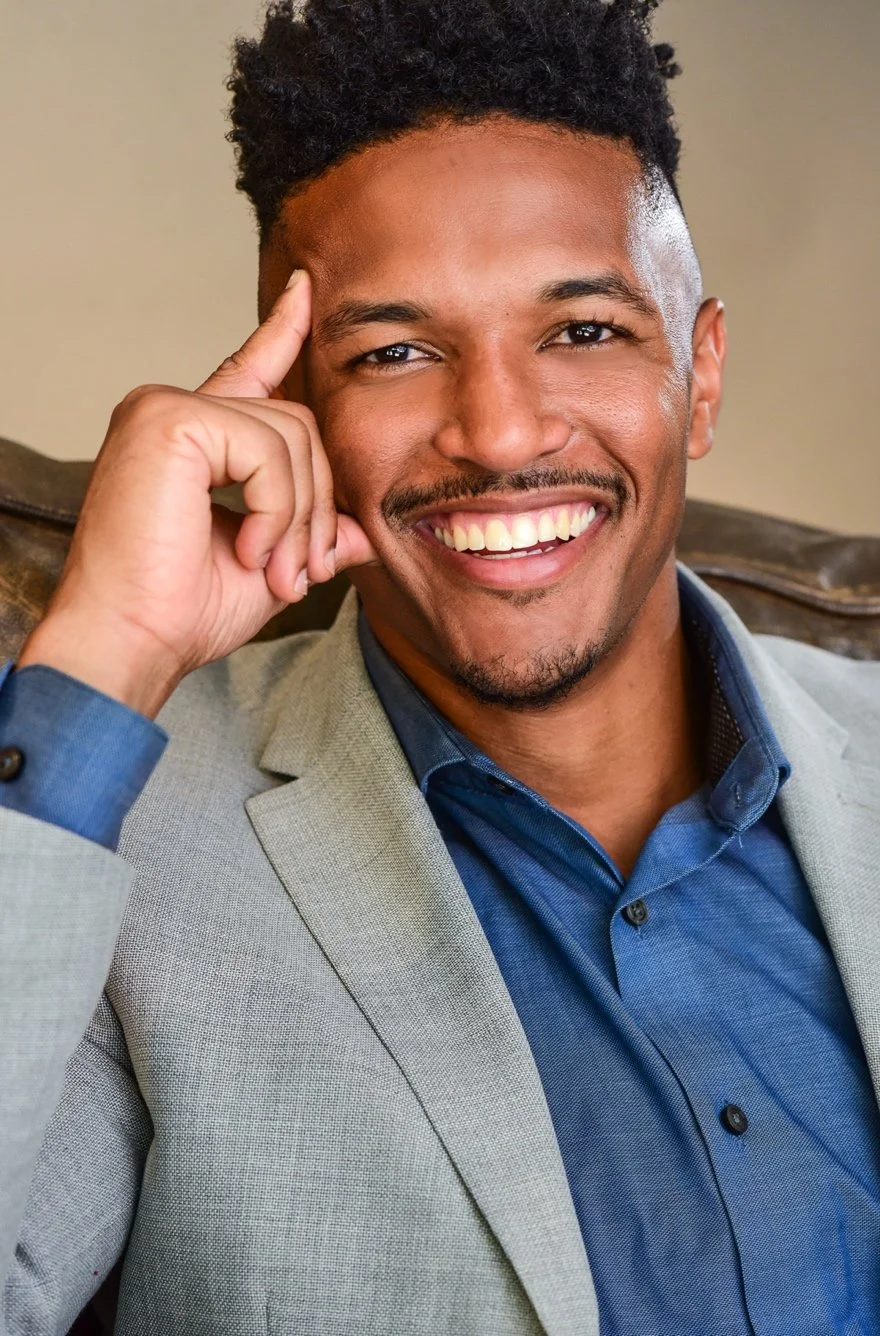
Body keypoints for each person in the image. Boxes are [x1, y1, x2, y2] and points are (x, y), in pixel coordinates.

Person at [1, 0, 879, 1330]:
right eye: (396, 353)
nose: (498, 430)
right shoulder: (120, 841)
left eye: (581, 330)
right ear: (292, 415)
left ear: (699, 377)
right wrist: (101, 651)